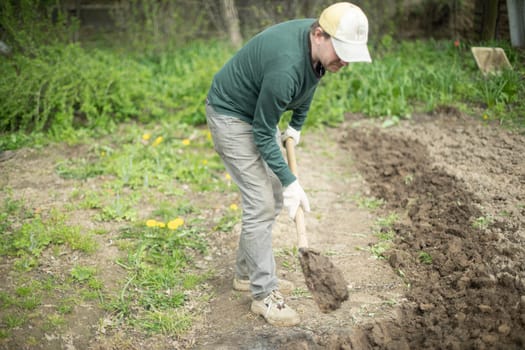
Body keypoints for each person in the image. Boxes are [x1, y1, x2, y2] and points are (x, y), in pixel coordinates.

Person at [205, 2, 371, 327]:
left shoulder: (317, 49)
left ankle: (245, 273)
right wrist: (292, 179)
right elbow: (263, 130)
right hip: (230, 115)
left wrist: (296, 125)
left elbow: (308, 85)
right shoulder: (286, 65)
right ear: (320, 35)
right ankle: (264, 294)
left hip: (254, 116)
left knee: (276, 193)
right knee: (261, 202)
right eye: (342, 52)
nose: (346, 61)